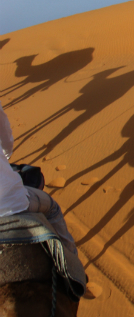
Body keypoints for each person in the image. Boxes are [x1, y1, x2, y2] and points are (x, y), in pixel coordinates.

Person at [0, 100, 77, 254]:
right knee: (53, 210)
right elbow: (6, 142)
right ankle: (72, 265)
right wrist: (5, 157)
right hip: (8, 203)